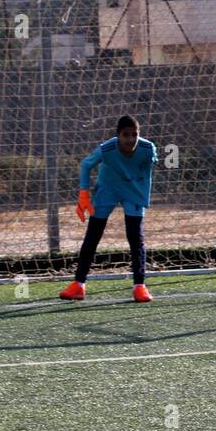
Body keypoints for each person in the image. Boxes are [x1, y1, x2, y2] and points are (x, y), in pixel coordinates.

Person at [59, 114, 156, 303]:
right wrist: (84, 195)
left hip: (133, 193)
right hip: (107, 191)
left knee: (135, 237)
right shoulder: (107, 149)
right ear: (117, 135)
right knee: (93, 236)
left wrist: (142, 191)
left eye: (134, 134)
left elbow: (149, 168)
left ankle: (139, 286)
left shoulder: (148, 148)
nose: (130, 139)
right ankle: (78, 285)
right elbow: (86, 165)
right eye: (126, 135)